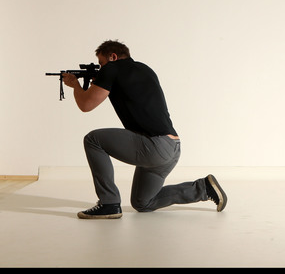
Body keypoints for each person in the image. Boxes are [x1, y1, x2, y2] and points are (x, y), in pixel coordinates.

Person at [62, 40, 227, 219]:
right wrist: (102, 80)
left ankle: (108, 203)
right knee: (143, 202)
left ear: (113, 57)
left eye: (101, 64)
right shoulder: (145, 69)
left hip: (154, 146)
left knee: (93, 139)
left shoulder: (112, 69)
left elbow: (86, 105)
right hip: (172, 146)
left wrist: (75, 85)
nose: (101, 69)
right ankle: (203, 188)